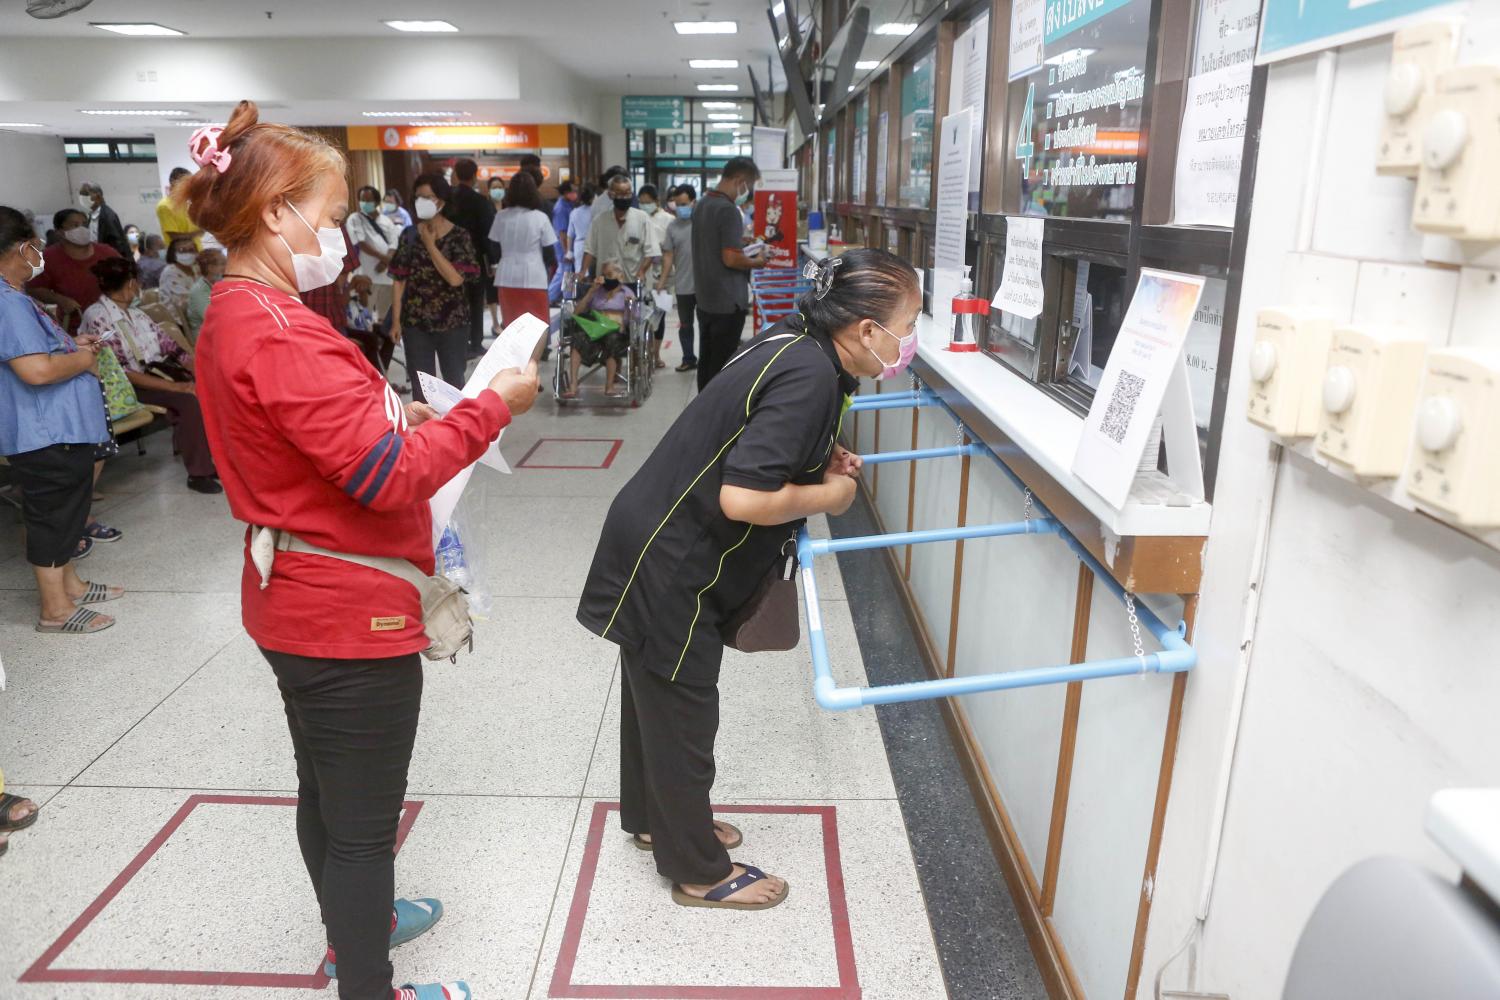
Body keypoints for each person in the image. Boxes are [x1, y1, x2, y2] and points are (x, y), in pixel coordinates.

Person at [187, 100, 539, 1000]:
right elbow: (386, 479)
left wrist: (397, 412)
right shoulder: (275, 329)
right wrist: (492, 405)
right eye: (334, 217)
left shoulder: (247, 311)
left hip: (292, 594)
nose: (342, 236)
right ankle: (369, 983)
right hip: (346, 614)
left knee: (327, 791)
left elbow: (321, 438)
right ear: (276, 213)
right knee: (359, 824)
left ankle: (363, 923)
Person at [577, 248, 919, 911]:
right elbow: (742, 498)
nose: (911, 341)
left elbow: (753, 433)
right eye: (908, 323)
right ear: (868, 331)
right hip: (677, 561)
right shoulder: (811, 376)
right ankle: (698, 869)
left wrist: (815, 456)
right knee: (682, 714)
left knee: (654, 698)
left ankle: (658, 820)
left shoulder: (794, 341)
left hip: (652, 531)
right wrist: (833, 496)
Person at [0, 205, 123, 636]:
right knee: (52, 514)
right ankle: (54, 609)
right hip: (44, 431)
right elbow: (35, 372)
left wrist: (70, 344)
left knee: (69, 509)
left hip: (58, 428)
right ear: (19, 248)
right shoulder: (7, 303)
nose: (39, 256)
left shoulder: (15, 299)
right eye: (35, 247)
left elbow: (37, 353)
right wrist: (82, 357)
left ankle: (70, 584)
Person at [79, 257, 221, 494]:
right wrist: (179, 388)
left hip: (153, 373)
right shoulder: (99, 317)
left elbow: (172, 349)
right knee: (188, 401)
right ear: (132, 284)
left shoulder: (137, 315)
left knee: (208, 389)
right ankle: (199, 473)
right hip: (124, 386)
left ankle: (211, 459)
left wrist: (198, 372)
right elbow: (123, 372)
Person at [389, 173, 479, 404]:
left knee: (453, 383)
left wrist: (430, 245)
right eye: (419, 197)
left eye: (428, 197)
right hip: (416, 323)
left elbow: (455, 279)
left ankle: (457, 433)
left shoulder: (459, 236)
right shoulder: (408, 235)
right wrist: (397, 320)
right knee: (421, 389)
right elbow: (399, 279)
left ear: (442, 200)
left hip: (453, 322)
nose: (422, 202)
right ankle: (426, 436)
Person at [691, 157, 768, 390]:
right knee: (723, 366)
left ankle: (702, 409)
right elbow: (731, 258)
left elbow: (714, 245)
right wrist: (758, 262)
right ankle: (718, 418)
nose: (748, 192)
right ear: (739, 181)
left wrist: (739, 242)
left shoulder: (703, 203)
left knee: (707, 360)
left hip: (705, 298)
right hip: (727, 302)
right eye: (749, 186)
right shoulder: (728, 210)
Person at [25, 208, 120, 334]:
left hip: (114, 324)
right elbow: (33, 288)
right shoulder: (48, 258)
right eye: (75, 225)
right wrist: (60, 300)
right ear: (59, 232)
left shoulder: (107, 253)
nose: (82, 229)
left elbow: (129, 277)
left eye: (85, 224)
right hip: (76, 328)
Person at [488, 170, 557, 332]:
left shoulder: (501, 217)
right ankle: (535, 357)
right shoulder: (540, 217)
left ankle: (516, 358)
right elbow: (550, 253)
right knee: (537, 327)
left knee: (512, 328)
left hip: (506, 277)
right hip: (535, 277)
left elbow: (494, 248)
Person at [446, 158, 495, 357]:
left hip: (447, 260)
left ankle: (456, 341)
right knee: (475, 302)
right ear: (475, 176)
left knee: (454, 301)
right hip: (474, 260)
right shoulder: (480, 202)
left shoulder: (448, 199)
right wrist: (491, 260)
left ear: (456, 175)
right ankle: (475, 343)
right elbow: (487, 234)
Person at [564, 261, 634, 400]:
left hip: (616, 332)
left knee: (611, 339)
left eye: (610, 274)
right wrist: (591, 291)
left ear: (620, 276)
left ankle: (609, 386)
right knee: (578, 337)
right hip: (595, 330)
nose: (606, 278)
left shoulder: (626, 293)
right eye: (604, 275)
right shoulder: (597, 291)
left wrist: (629, 306)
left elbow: (635, 319)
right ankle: (573, 385)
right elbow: (576, 313)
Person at [581, 173, 660, 289]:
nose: (624, 197)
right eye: (620, 194)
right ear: (610, 194)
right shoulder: (600, 220)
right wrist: (582, 271)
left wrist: (642, 271)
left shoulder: (642, 219)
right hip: (606, 283)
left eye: (628, 193)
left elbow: (651, 251)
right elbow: (589, 249)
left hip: (632, 281)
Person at [346, 185, 401, 330]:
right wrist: (385, 258)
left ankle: (386, 348)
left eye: (368, 200)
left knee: (385, 318)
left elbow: (394, 242)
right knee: (366, 316)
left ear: (376, 202)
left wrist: (386, 260)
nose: (364, 203)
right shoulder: (355, 219)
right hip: (366, 276)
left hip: (387, 277)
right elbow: (360, 243)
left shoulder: (386, 220)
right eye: (362, 200)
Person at [658, 184, 698, 372]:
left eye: (684, 203)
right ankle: (688, 358)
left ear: (693, 202)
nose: (681, 207)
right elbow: (668, 257)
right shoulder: (672, 227)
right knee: (685, 325)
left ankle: (706, 359)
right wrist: (662, 281)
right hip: (683, 285)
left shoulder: (702, 223)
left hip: (705, 284)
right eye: (678, 204)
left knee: (707, 326)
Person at [79, 183, 131, 260]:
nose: (83, 198)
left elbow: (117, 244)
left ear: (98, 196)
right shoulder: (90, 215)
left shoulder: (108, 216)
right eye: (81, 195)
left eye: (86, 194)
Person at [156, 167, 203, 248]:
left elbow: (199, 229)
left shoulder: (187, 203)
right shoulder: (164, 206)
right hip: (179, 253)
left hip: (196, 250)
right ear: (175, 183)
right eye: (187, 183)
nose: (190, 186)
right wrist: (197, 233)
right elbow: (174, 236)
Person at [186, 247, 226, 342]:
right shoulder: (198, 291)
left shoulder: (220, 283)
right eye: (223, 264)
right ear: (210, 268)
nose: (227, 266)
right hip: (206, 339)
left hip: (221, 331)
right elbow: (214, 320)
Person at [157, 235, 200, 323]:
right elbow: (187, 302)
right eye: (182, 250)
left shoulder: (196, 268)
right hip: (180, 322)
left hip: (198, 313)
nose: (187, 253)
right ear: (173, 254)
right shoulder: (170, 273)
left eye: (191, 250)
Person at [566, 185, 595, 274]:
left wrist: (569, 252)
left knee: (579, 274)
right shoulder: (596, 212)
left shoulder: (574, 212)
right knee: (592, 275)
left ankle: (577, 288)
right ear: (592, 198)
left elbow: (570, 235)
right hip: (592, 246)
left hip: (578, 245)